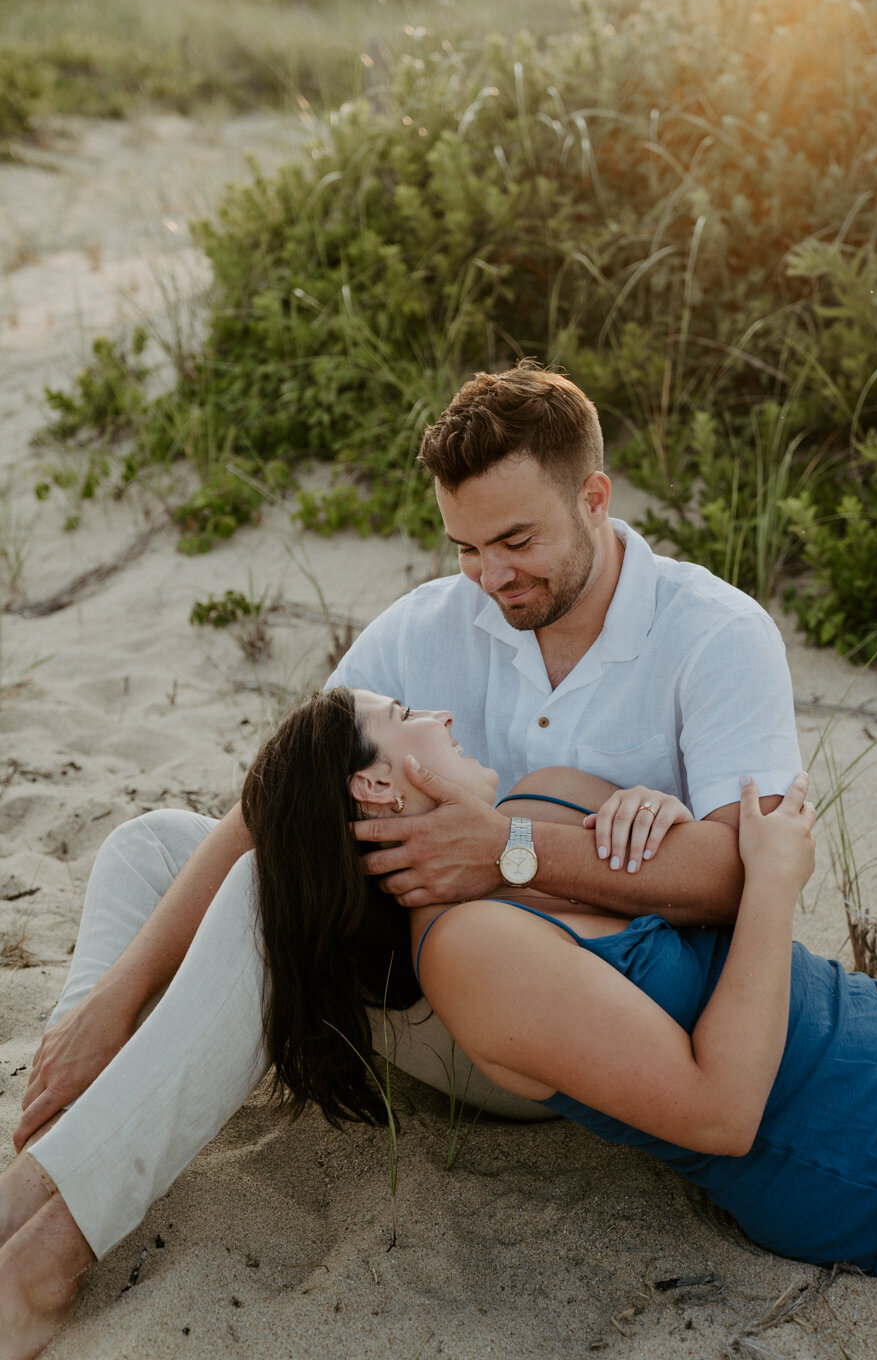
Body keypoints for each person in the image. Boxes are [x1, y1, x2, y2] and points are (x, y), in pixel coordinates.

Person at [3, 688, 877, 1360]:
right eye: (412, 710)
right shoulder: (470, 955)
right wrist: (775, 884)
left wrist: (688, 837)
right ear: (379, 783)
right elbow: (721, 1110)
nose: (449, 718)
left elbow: (722, 871)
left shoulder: (545, 804)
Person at [14, 364, 802, 1150]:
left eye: (516, 541)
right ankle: (67, 1078)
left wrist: (508, 855)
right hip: (419, 970)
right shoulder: (426, 624)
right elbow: (281, 803)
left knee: (259, 905)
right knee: (151, 846)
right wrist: (114, 1001)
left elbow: (744, 874)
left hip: (577, 1029)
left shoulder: (714, 635)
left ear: (593, 500)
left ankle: (56, 1206)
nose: (491, 577)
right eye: (465, 547)